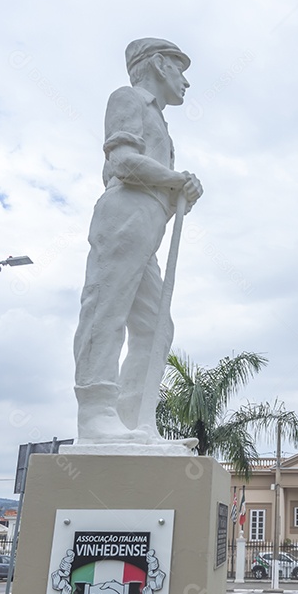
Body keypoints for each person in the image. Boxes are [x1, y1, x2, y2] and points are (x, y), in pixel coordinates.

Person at [73, 38, 204, 444]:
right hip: (126, 210)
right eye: (180, 70)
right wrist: (174, 180)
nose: (185, 82)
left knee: (155, 326)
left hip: (150, 221)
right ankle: (96, 415)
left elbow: (161, 182)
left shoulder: (162, 125)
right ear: (160, 64)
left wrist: (183, 192)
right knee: (107, 305)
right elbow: (122, 162)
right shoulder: (129, 98)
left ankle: (133, 422)